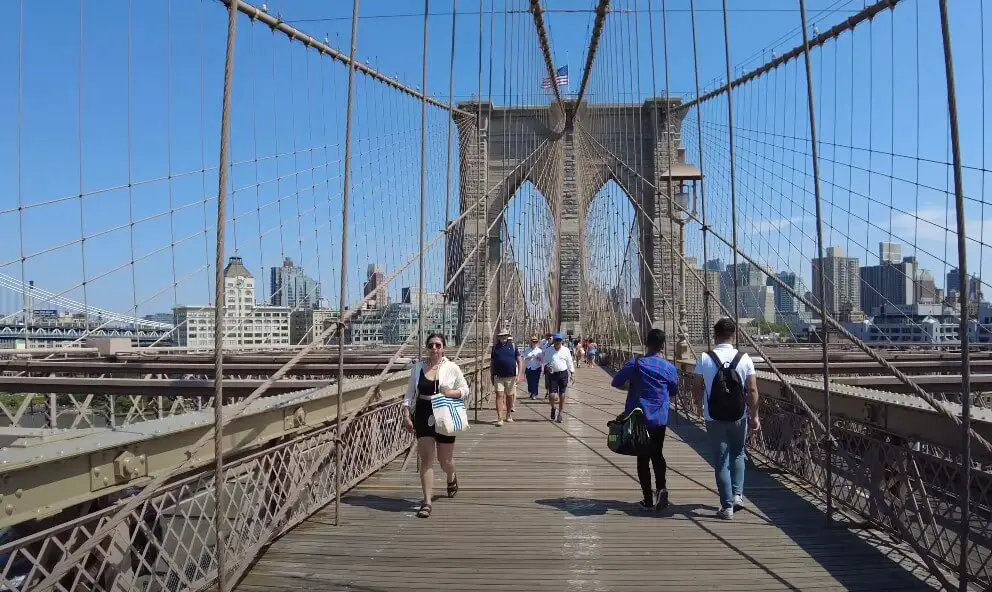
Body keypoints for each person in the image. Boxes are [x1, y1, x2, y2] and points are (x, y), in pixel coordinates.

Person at [692, 318, 761, 520]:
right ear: (734, 335)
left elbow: (696, 387)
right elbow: (753, 390)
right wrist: (754, 415)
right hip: (739, 415)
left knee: (721, 460)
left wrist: (698, 406)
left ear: (714, 335)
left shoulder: (704, 358)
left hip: (713, 416)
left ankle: (727, 506)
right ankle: (738, 495)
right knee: (738, 453)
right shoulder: (744, 358)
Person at [402, 333, 470, 518]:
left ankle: (451, 476)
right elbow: (409, 395)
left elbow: (465, 389)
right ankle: (427, 502)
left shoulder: (451, 367)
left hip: (444, 413)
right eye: (431, 345)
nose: (434, 349)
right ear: (427, 347)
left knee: (444, 460)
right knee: (427, 460)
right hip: (423, 413)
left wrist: (451, 392)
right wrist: (407, 415)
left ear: (443, 348)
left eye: (438, 345)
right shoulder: (417, 368)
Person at [610, 329, 677, 510]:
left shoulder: (636, 364)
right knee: (657, 454)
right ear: (662, 345)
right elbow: (673, 391)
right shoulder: (669, 368)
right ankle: (662, 489)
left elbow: (615, 382)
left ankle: (647, 499)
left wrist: (630, 387)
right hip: (659, 419)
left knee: (642, 457)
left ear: (646, 343)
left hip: (638, 418)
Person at [490, 330, 523, 425]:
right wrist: (491, 374)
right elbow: (492, 362)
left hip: (511, 376)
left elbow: (519, 361)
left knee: (509, 396)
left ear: (507, 336)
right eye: (501, 336)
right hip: (498, 376)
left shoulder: (512, 346)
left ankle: (508, 414)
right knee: (499, 395)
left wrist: (519, 374)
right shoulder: (495, 348)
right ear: (499, 337)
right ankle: (500, 418)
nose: (503, 337)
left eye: (505, 336)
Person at [542, 332, 575, 423]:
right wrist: (546, 366)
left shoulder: (566, 350)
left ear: (562, 341)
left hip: (563, 374)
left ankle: (560, 413)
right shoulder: (549, 350)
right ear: (554, 341)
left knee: (562, 394)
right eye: (556, 340)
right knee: (552, 395)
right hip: (553, 374)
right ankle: (553, 408)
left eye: (559, 340)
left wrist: (572, 373)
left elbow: (570, 362)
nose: (558, 342)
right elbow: (545, 361)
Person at [523, 336, 544, 400]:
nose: (534, 343)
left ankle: (534, 394)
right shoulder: (527, 350)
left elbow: (542, 360)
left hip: (537, 367)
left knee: (535, 382)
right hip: (529, 368)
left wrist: (539, 359)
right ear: (531, 342)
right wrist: (528, 357)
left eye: (536, 342)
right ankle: (531, 391)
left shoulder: (540, 351)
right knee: (529, 382)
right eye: (533, 341)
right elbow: (523, 358)